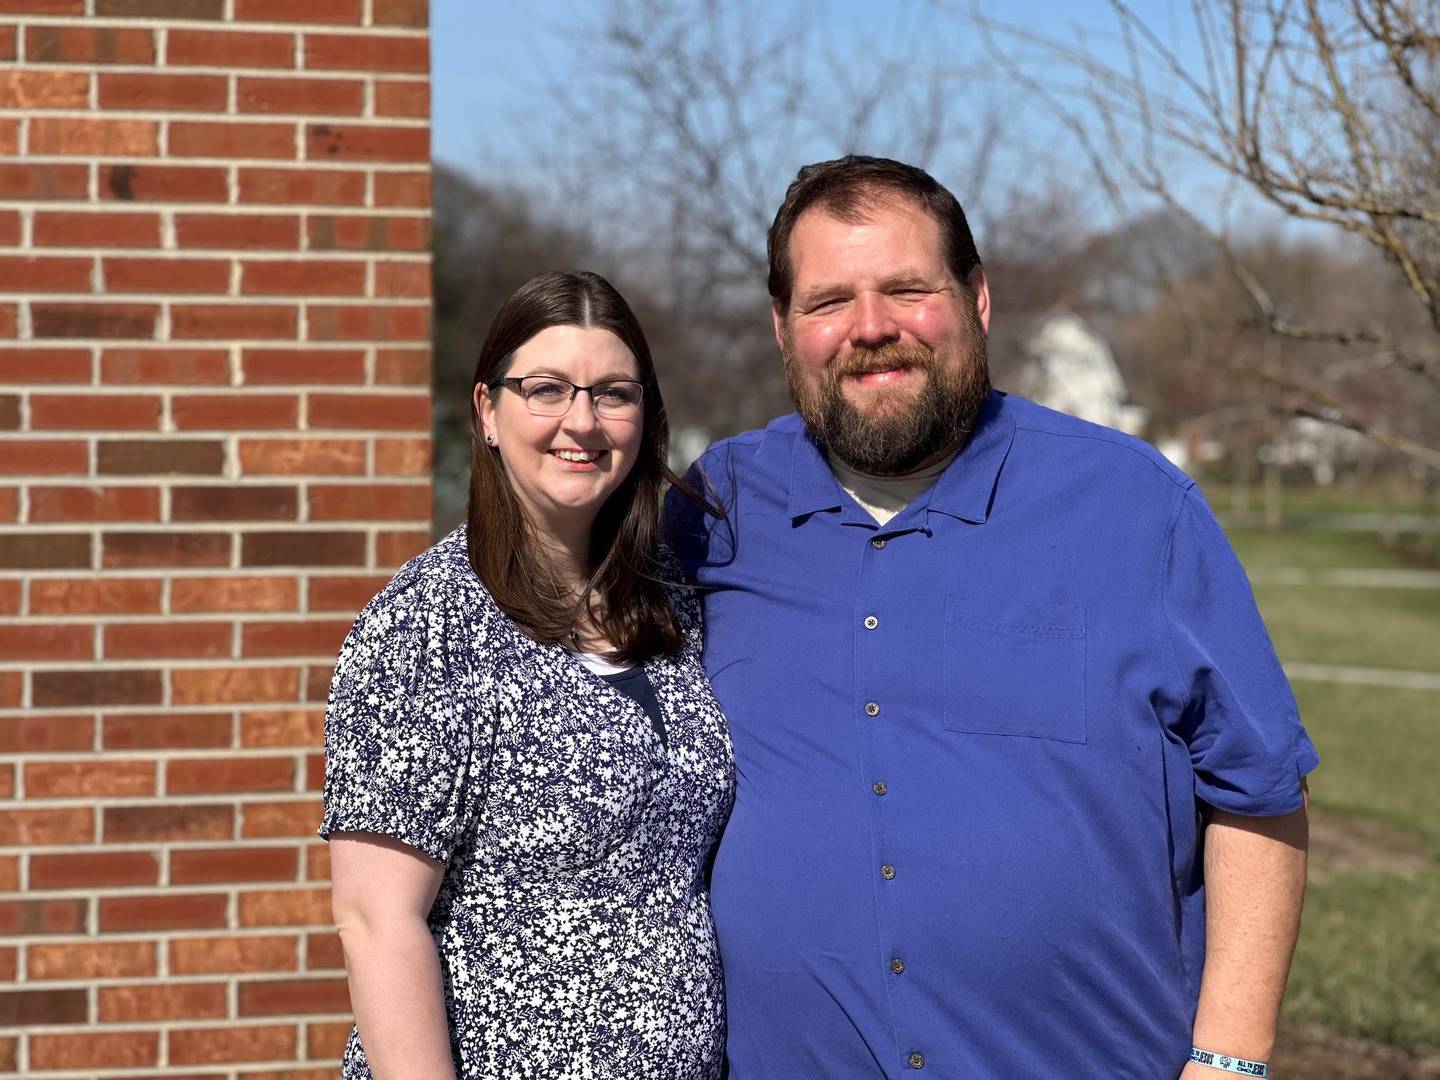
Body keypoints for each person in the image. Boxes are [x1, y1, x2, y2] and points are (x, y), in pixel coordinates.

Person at [665, 156, 1315, 1079]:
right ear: (782, 327)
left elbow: (1261, 790)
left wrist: (1232, 1060)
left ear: (976, 296)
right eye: (828, 302)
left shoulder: (1135, 509)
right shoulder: (713, 514)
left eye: (906, 289)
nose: (871, 328)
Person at [321, 271, 733, 1080]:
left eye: (614, 392)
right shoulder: (427, 624)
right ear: (487, 412)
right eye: (546, 389)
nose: (582, 421)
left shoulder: (674, 604)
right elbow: (376, 918)